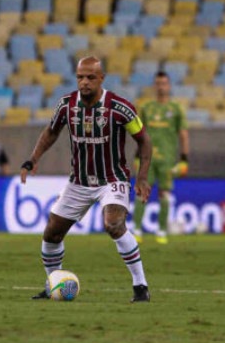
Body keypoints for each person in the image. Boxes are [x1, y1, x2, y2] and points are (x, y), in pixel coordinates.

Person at [20, 56, 153, 303]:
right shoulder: (66, 105)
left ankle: (140, 286)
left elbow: (144, 140)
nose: (85, 82)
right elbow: (51, 132)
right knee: (51, 234)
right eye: (80, 77)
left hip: (112, 179)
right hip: (79, 181)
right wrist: (33, 158)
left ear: (101, 78)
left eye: (91, 77)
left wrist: (142, 176)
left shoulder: (120, 107)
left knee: (113, 224)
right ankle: (52, 285)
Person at [132, 71, 189, 245]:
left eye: (164, 83)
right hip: (147, 159)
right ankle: (136, 230)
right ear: (154, 86)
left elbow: (183, 134)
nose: (161, 86)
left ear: (169, 86)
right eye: (158, 83)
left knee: (164, 193)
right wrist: (136, 156)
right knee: (142, 192)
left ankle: (162, 230)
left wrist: (184, 159)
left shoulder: (176, 109)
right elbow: (139, 133)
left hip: (168, 159)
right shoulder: (147, 108)